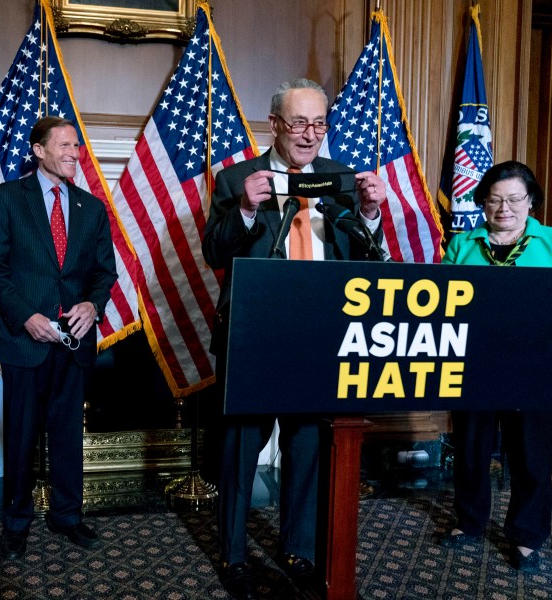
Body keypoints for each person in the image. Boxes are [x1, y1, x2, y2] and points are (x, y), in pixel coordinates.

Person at [202, 78, 387, 600]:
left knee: (307, 446)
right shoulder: (237, 177)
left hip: (319, 339)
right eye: (299, 123)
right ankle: (233, 555)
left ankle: (298, 549)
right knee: (240, 452)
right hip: (253, 339)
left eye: (319, 123)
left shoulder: (343, 178)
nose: (310, 134)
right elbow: (214, 252)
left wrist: (371, 212)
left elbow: (365, 257)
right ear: (275, 124)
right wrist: (242, 209)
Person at [0, 115, 117, 560]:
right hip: (25, 342)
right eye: (65, 145)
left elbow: (104, 273)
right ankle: (16, 523)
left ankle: (67, 516)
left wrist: (93, 306)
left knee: (66, 436)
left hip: (74, 345)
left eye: (76, 146)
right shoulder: (6, 199)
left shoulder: (91, 208)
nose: (74, 153)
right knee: (20, 437)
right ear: (38, 150)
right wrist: (25, 317)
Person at [439, 160, 552, 572]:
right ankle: (470, 521)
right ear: (482, 203)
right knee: (471, 448)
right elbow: (443, 301)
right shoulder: (462, 244)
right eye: (495, 199)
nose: (505, 208)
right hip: (472, 361)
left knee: (531, 453)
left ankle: (527, 535)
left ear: (530, 201)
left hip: (533, 362)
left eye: (514, 199)